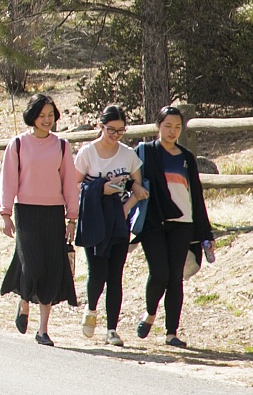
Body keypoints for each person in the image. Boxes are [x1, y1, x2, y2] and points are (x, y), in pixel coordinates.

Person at [0, 92, 79, 346]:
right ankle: (24, 302)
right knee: (31, 265)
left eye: (50, 115)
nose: (47, 120)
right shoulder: (18, 144)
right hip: (26, 213)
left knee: (51, 270)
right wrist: (5, 213)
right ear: (32, 117)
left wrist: (72, 218)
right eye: (41, 115)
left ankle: (43, 330)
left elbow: (69, 184)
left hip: (53, 213)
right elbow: (8, 179)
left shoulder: (62, 146)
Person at [134, 105, 214, 348]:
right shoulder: (145, 151)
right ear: (158, 125)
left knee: (175, 278)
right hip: (154, 222)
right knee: (159, 273)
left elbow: (196, 195)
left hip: (183, 223)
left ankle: (171, 333)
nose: (172, 131)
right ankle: (149, 314)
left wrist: (204, 231)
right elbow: (133, 182)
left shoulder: (187, 157)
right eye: (167, 126)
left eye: (177, 127)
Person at [74, 105, 148, 345]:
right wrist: (100, 189)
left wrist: (129, 200)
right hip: (94, 220)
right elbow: (75, 186)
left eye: (120, 131)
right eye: (110, 130)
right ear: (100, 126)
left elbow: (138, 184)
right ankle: (91, 310)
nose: (115, 136)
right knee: (97, 273)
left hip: (118, 221)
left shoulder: (128, 155)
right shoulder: (87, 153)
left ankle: (112, 329)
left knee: (115, 276)